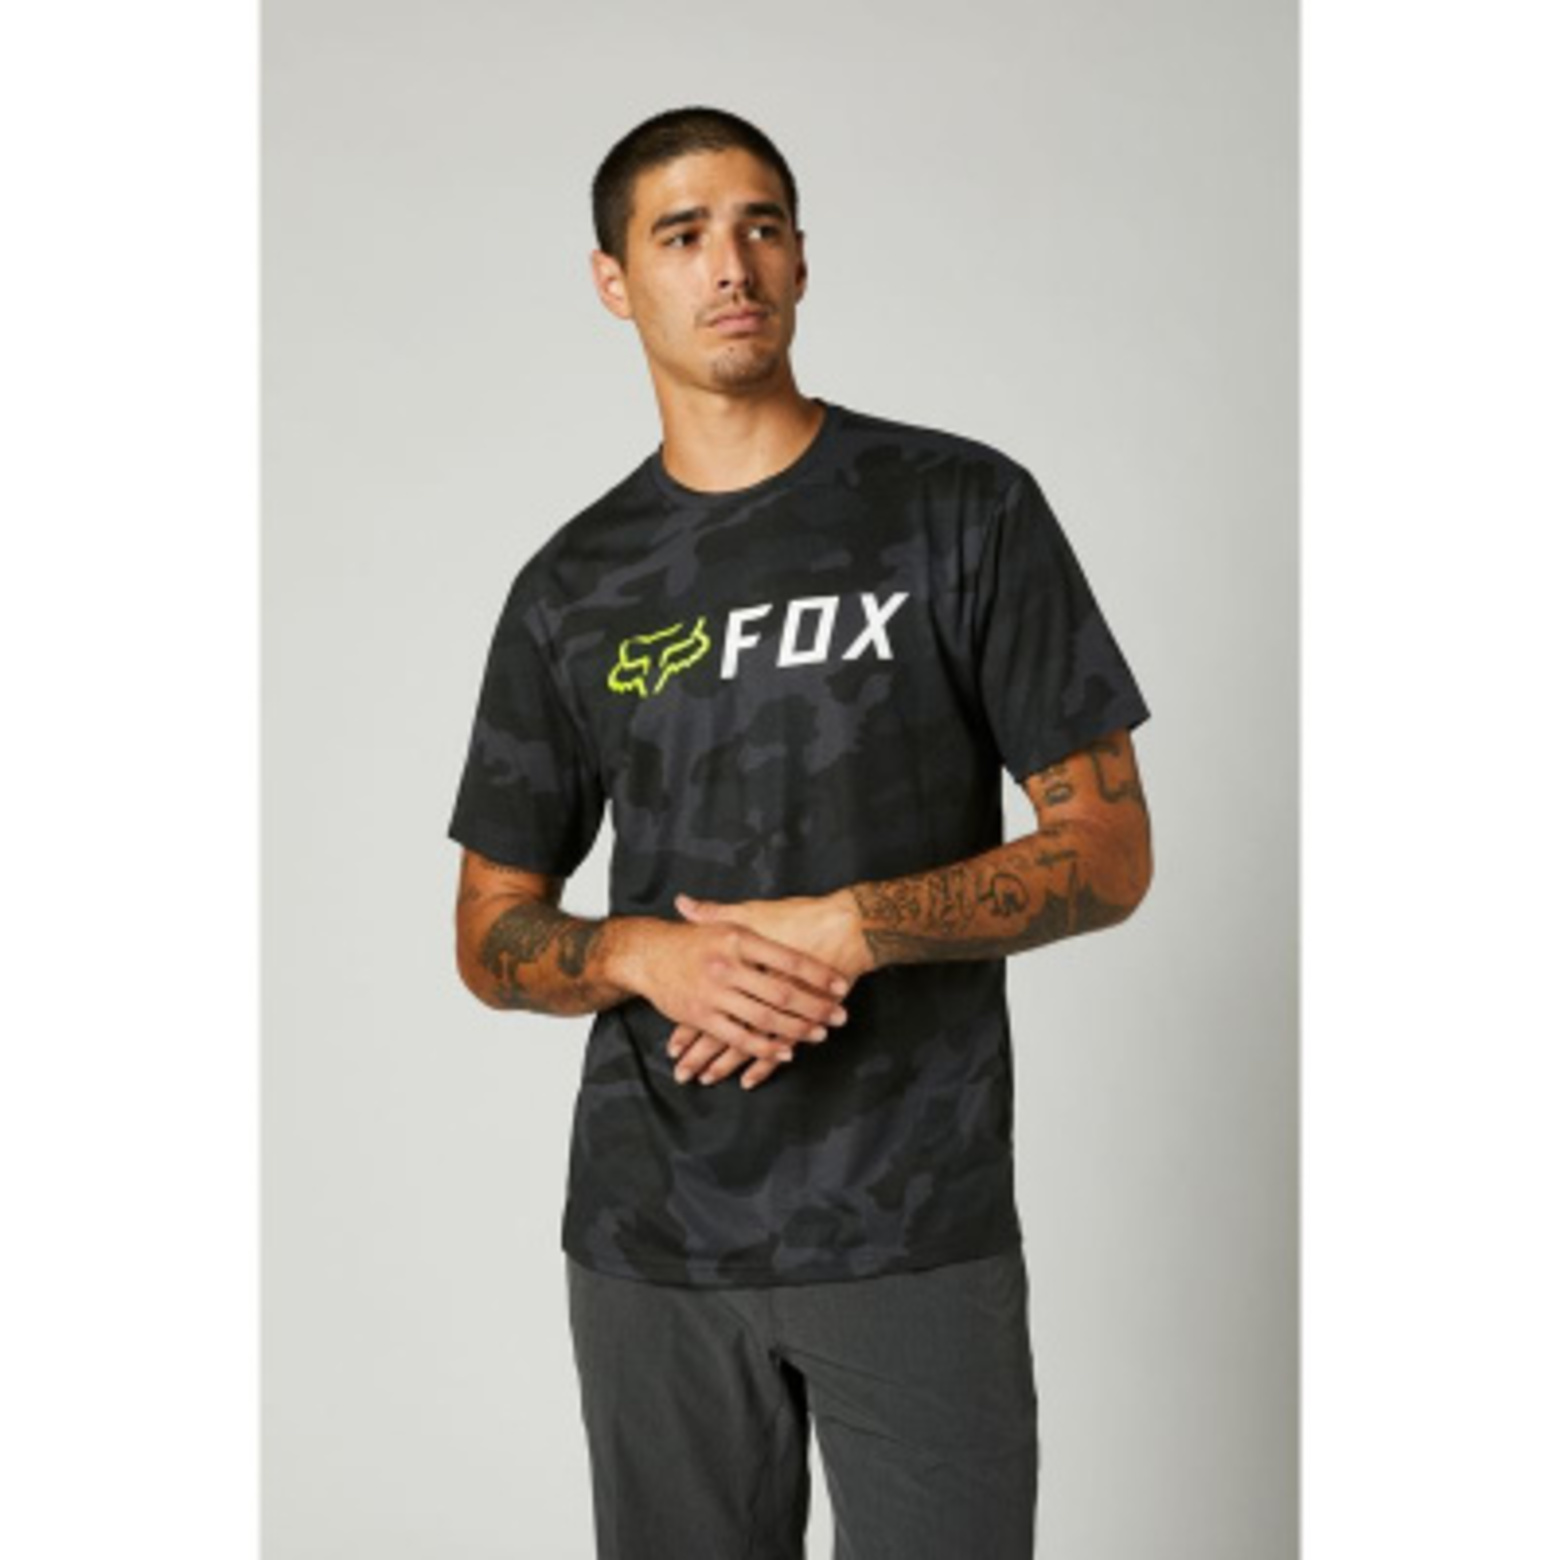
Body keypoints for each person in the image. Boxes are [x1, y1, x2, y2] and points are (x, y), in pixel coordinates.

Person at [448, 104, 1154, 1560]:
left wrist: (852, 927)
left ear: (803, 259)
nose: (732, 265)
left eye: (760, 226)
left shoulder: (959, 509)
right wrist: (645, 955)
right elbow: (488, 928)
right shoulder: (569, 588)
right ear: (613, 280)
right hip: (652, 1239)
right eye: (683, 235)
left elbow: (1109, 849)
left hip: (914, 1221)